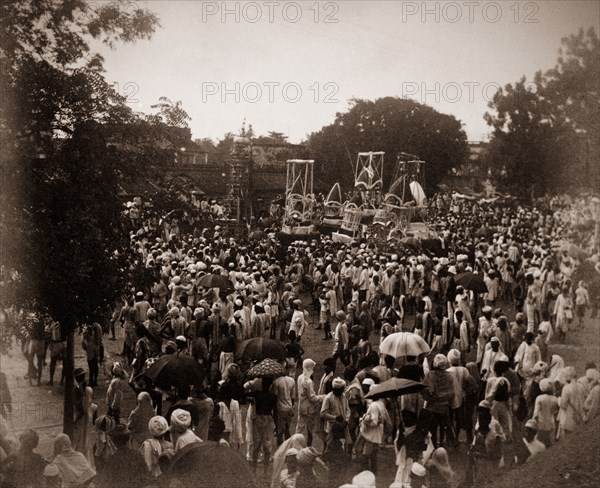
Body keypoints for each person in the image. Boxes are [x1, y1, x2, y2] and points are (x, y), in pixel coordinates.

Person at [296, 359, 324, 447]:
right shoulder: (308, 382)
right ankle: (308, 447)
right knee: (310, 430)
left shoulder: (300, 377)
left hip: (301, 406)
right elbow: (312, 397)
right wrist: (322, 397)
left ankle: (296, 445)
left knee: (299, 428)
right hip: (309, 409)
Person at [272, 368, 297, 445]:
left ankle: (280, 449)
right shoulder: (292, 381)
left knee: (279, 431)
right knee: (287, 429)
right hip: (289, 407)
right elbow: (293, 397)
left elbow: (275, 396)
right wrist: (292, 408)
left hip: (280, 408)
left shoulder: (276, 382)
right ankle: (288, 447)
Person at [81, 323, 103, 388]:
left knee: (91, 366)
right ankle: (95, 381)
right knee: (95, 365)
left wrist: (86, 347)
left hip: (91, 348)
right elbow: (101, 339)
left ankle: (91, 381)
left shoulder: (86, 327)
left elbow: (83, 341)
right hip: (97, 347)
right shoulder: (98, 326)